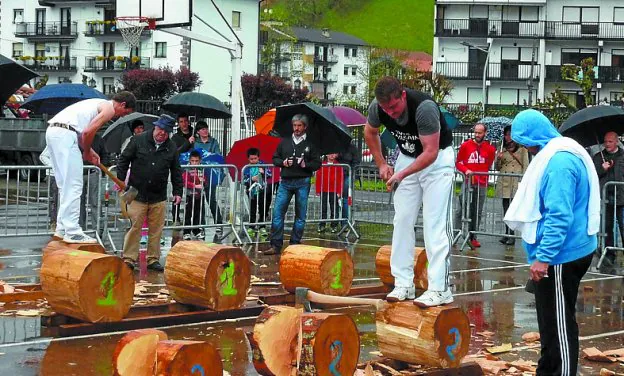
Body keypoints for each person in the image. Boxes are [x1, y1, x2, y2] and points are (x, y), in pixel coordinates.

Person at [504, 109, 599, 376]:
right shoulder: (557, 152)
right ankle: (547, 370)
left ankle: (562, 371)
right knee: (550, 320)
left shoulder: (558, 163)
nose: (525, 148)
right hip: (562, 252)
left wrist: (544, 257)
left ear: (535, 136)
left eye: (525, 142)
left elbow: (560, 216)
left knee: (559, 324)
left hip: (561, 255)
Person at [364, 76, 455, 307]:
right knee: (402, 219)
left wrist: (401, 174)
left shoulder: (424, 109)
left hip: (437, 160)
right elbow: (370, 132)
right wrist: (382, 164)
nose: (391, 113)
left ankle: (440, 288)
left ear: (402, 95)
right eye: (386, 108)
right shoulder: (378, 108)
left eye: (394, 107)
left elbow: (431, 151)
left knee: (435, 224)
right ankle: (403, 282)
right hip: (407, 157)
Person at [46, 91, 135, 243]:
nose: (120, 116)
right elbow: (87, 132)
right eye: (124, 113)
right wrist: (86, 151)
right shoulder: (109, 108)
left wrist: (90, 151)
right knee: (74, 185)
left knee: (64, 185)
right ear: (122, 104)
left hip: (55, 132)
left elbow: (82, 135)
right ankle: (72, 231)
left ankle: (62, 228)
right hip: (66, 135)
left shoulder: (96, 103)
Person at [117, 114, 183, 271]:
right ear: (155, 127)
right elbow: (124, 160)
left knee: (156, 230)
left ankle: (153, 259)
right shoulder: (138, 140)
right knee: (135, 227)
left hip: (158, 194)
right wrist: (120, 181)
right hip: (137, 192)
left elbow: (176, 170)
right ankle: (129, 258)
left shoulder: (171, 147)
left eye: (166, 131)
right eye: (160, 129)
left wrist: (177, 191)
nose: (162, 133)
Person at [265, 114, 321, 255]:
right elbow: (275, 158)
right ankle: (276, 244)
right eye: (295, 125)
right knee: (278, 213)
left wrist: (305, 165)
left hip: (303, 182)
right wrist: (283, 162)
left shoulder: (311, 144)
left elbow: (317, 164)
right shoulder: (284, 142)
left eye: (299, 126)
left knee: (300, 215)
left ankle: (295, 244)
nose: (296, 128)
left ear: (305, 127)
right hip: (286, 182)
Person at [455, 123, 496, 249]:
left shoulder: (490, 149)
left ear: (485, 133)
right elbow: (458, 162)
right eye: (476, 132)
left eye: (480, 133)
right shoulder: (465, 145)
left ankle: (473, 236)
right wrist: (466, 170)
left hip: (481, 182)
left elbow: (489, 164)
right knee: (461, 208)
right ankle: (456, 233)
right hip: (468, 181)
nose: (477, 135)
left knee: (477, 211)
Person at [592, 131, 624, 271]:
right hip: (605, 197)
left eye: (610, 141)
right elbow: (593, 174)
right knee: (606, 227)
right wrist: (602, 168)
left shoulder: (623, 155)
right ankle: (609, 254)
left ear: (617, 141)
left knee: (623, 226)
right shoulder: (599, 157)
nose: (607, 144)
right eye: (605, 141)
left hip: (622, 198)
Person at [495, 125, 529, 245]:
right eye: (506, 134)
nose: (507, 137)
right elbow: (497, 168)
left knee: (513, 210)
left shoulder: (522, 149)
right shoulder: (502, 149)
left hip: (515, 182)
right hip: (505, 182)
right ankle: (507, 233)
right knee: (506, 210)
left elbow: (526, 166)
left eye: (509, 134)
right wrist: (498, 159)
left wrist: (524, 182)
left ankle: (512, 235)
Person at [194, 121, 224, 242]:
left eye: (206, 129)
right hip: (199, 174)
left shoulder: (214, 142)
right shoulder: (195, 143)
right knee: (199, 200)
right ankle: (201, 225)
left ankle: (219, 223)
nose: (205, 131)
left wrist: (208, 156)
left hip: (211, 174)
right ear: (198, 132)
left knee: (211, 199)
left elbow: (217, 155)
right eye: (202, 129)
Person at [79, 133, 109, 234]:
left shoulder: (99, 139)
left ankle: (97, 229)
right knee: (79, 202)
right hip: (79, 173)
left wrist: (101, 170)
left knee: (95, 201)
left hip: (94, 172)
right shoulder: (78, 137)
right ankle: (79, 228)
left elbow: (105, 155)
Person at [243, 148, 272, 239]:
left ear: (258, 157)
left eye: (255, 158)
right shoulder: (246, 168)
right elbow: (244, 179)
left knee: (262, 209)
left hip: (262, 190)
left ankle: (262, 226)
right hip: (252, 191)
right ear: (248, 159)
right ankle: (251, 226)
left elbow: (270, 174)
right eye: (251, 159)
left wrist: (264, 172)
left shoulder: (263, 165)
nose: (253, 161)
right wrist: (251, 179)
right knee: (252, 209)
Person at [315, 153, 344, 233]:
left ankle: (334, 225)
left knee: (334, 208)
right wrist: (317, 190)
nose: (331, 155)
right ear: (326, 155)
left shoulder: (338, 165)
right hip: (323, 189)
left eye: (333, 154)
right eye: (330, 154)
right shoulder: (322, 165)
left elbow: (340, 179)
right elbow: (318, 177)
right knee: (323, 208)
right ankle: (322, 225)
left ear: (336, 155)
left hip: (334, 190)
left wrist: (339, 191)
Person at [182, 150, 206, 240]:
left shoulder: (201, 168)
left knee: (197, 213)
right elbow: (184, 181)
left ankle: (196, 230)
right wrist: (194, 185)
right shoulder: (187, 169)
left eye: (196, 161)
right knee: (188, 213)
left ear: (200, 160)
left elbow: (205, 180)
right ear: (190, 160)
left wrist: (203, 181)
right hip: (190, 194)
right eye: (193, 161)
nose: (194, 163)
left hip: (199, 194)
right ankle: (186, 231)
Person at [337, 144, 361, 228]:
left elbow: (356, 162)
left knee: (345, 197)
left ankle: (345, 222)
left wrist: (351, 171)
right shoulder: (335, 146)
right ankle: (334, 222)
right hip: (336, 174)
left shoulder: (352, 148)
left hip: (347, 174)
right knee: (333, 197)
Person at [39, 147, 58, 232]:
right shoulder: (53, 142)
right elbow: (43, 156)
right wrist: (53, 166)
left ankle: (60, 223)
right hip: (53, 176)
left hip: (64, 176)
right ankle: (53, 223)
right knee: (54, 200)